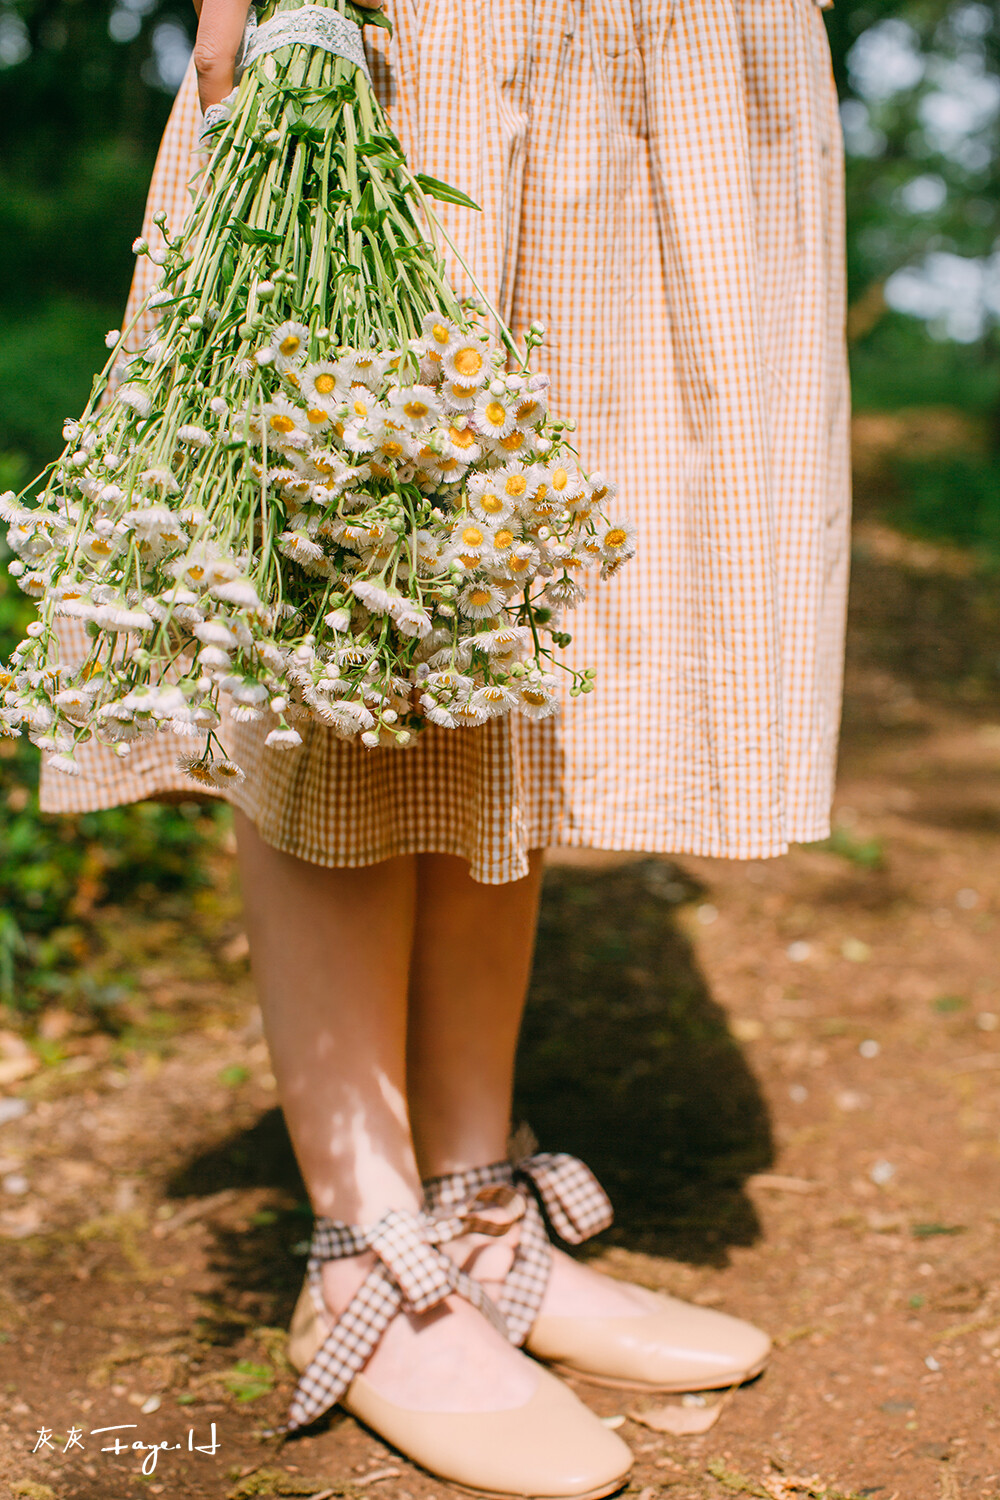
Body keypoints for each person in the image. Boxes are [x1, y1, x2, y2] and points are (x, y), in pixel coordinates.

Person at [40, 0, 849, 1493]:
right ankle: (364, 1258)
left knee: (504, 599)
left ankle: (475, 1213)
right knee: (348, 609)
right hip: (426, 39)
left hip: (667, 50)